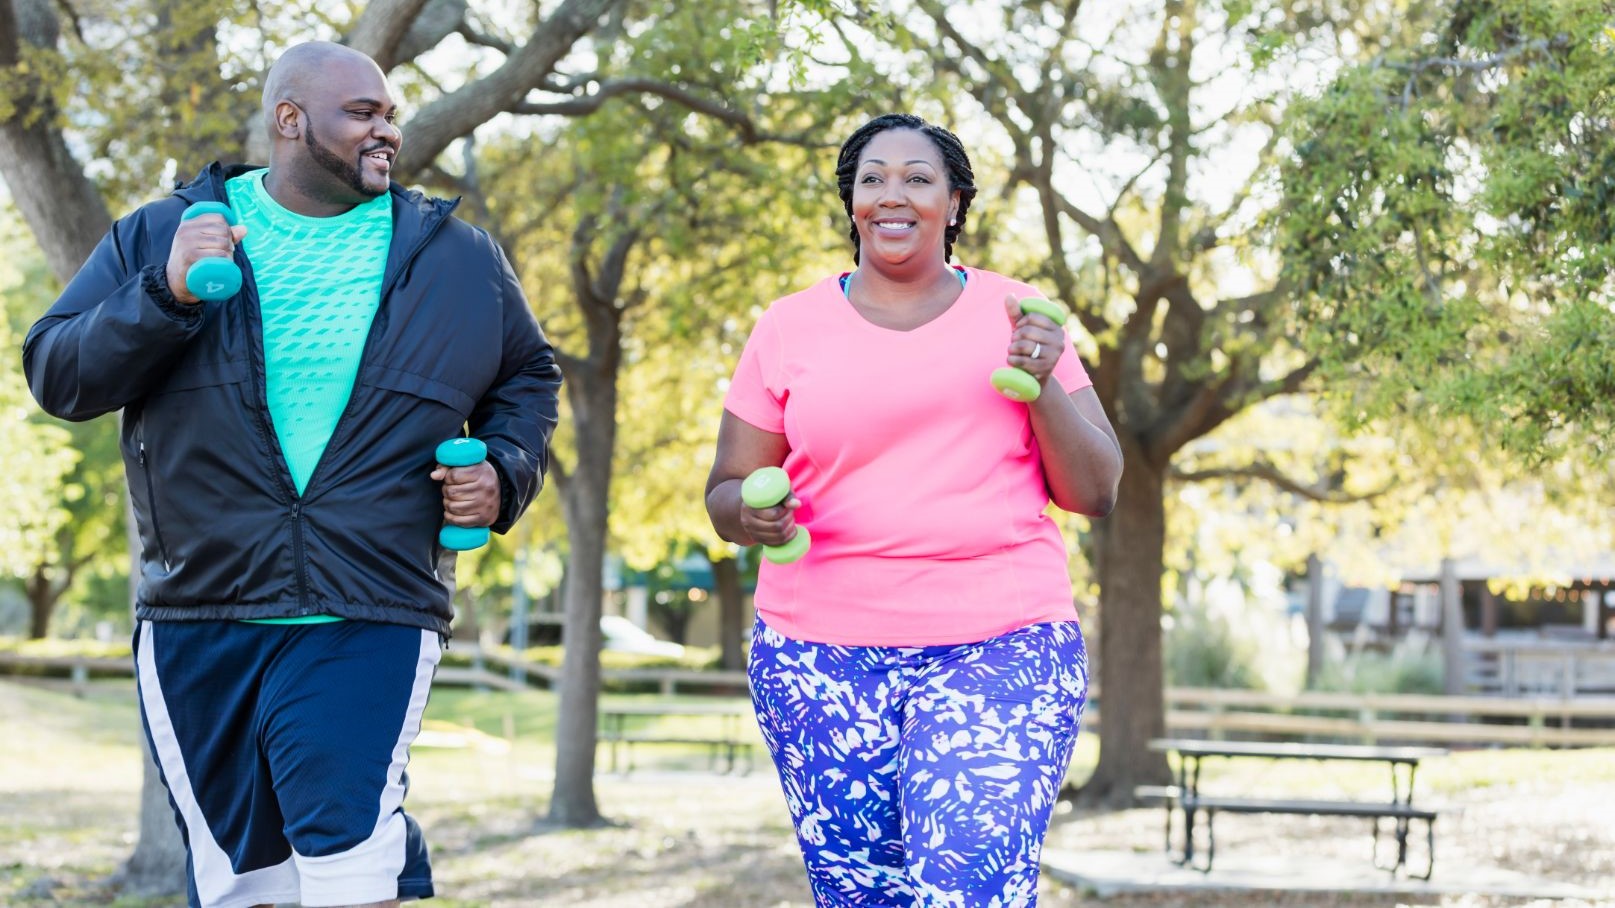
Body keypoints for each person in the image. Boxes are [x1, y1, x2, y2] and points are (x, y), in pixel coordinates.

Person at [23, 41, 561, 908]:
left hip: (371, 600)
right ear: (289, 120)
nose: (387, 131)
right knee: (244, 884)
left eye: (390, 114)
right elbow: (58, 373)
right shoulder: (162, 234)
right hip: (202, 608)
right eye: (363, 113)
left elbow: (528, 376)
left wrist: (504, 470)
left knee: (348, 860)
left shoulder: (457, 256)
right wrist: (163, 294)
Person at [704, 112, 1124, 906]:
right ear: (851, 203)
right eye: (872, 179)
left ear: (954, 203)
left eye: (918, 178)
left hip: (1002, 644)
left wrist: (1039, 385)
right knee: (864, 895)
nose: (892, 195)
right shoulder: (789, 325)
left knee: (969, 881)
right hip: (818, 657)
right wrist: (752, 518)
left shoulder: (1018, 316)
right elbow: (727, 488)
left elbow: (1094, 491)